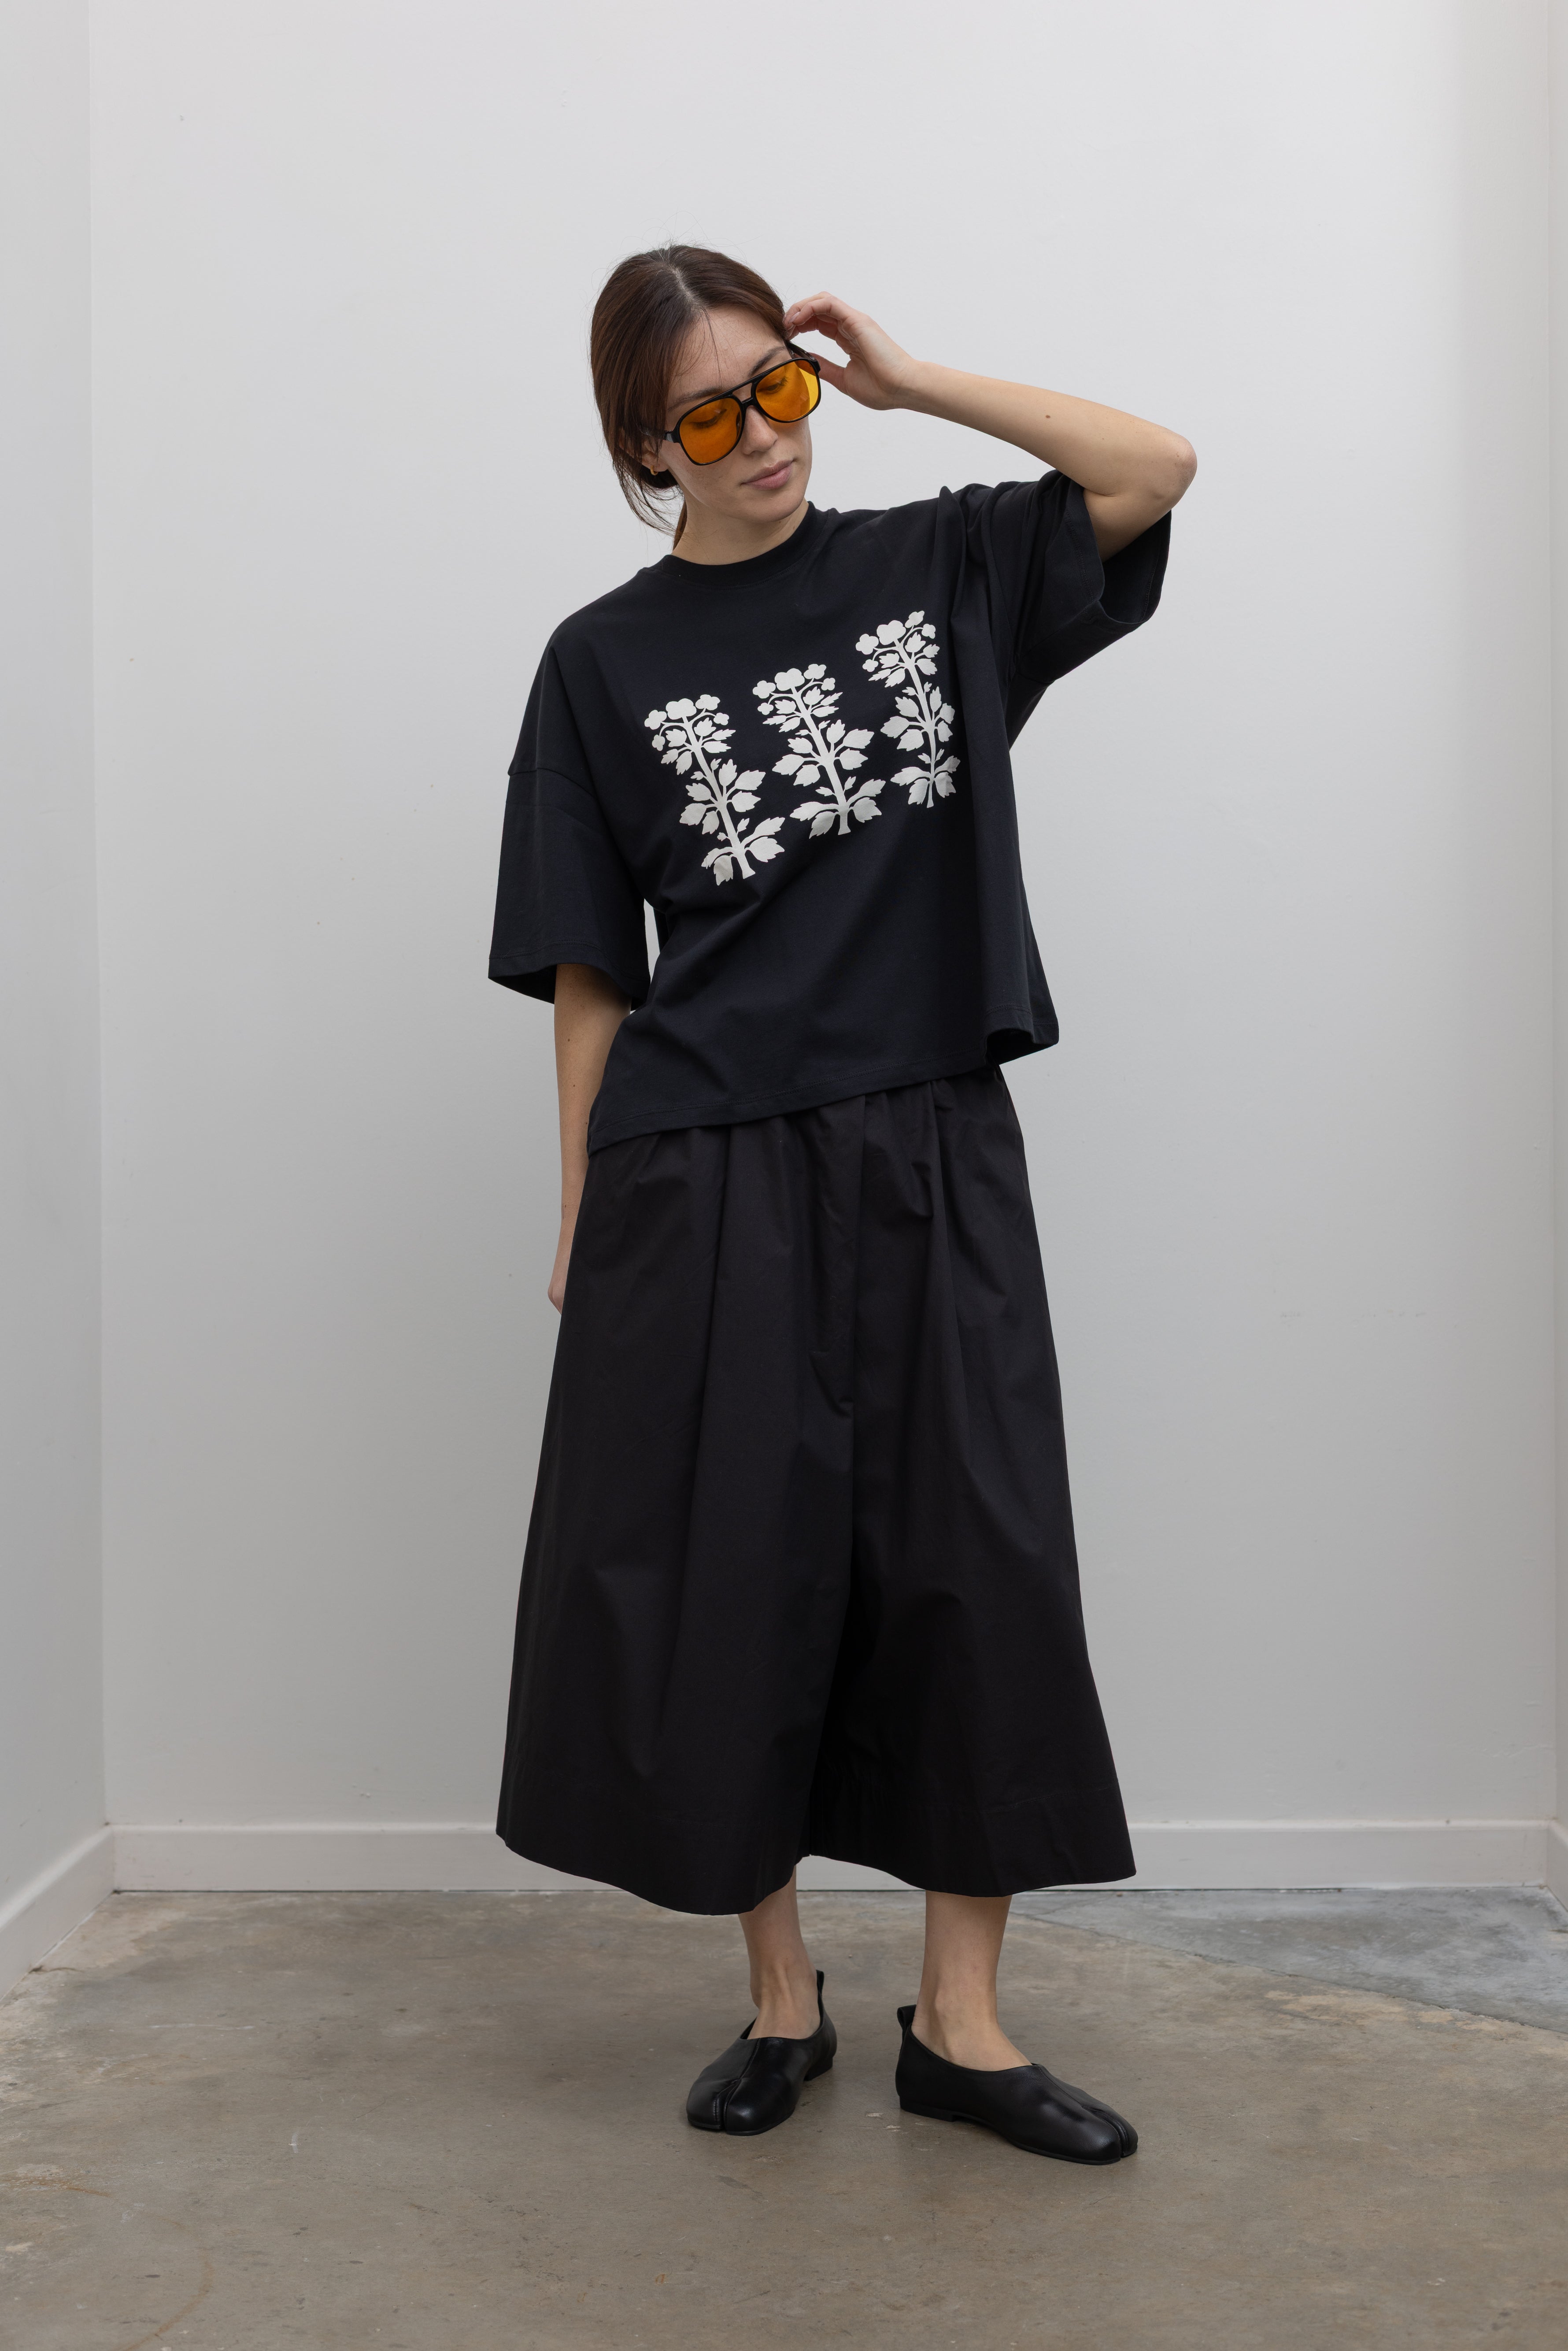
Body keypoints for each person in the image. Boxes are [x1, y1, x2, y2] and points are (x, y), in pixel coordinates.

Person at [489, 244, 1194, 2162]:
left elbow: (1152, 470)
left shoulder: (937, 566)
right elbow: (589, 973)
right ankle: (781, 1999)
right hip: (702, 1162)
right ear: (647, 448)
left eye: (775, 390)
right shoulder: (598, 662)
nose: (760, 440)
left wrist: (910, 377)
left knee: (975, 1562)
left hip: (929, 1134)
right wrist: (583, 1206)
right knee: (741, 1575)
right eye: (706, 418)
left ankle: (961, 2026)